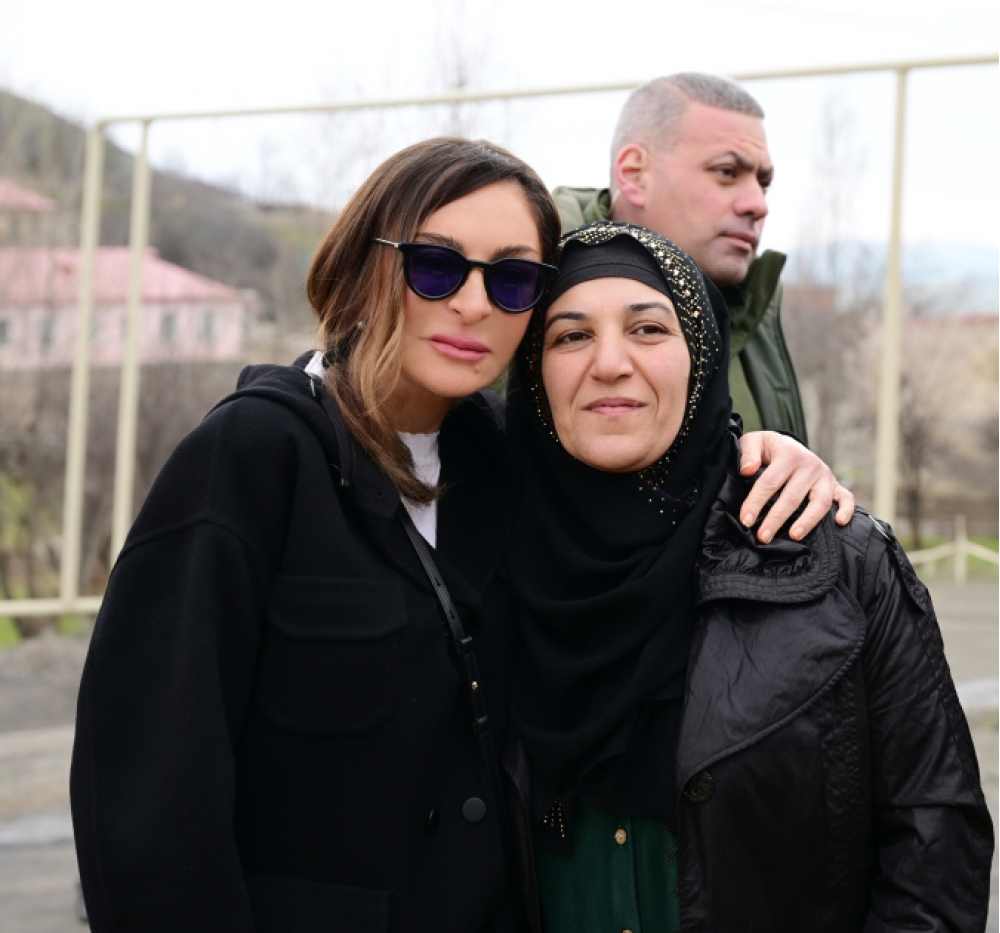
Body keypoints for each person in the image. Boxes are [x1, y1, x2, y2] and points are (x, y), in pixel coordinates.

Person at [70, 137, 849, 933]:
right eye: (436, 267)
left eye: (512, 280)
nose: (474, 305)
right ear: (363, 266)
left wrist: (763, 457)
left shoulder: (508, 462)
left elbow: (654, 484)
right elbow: (149, 800)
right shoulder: (253, 459)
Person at [504, 222, 993, 932]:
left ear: (702, 355)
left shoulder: (838, 557)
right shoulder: (474, 551)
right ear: (533, 371)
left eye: (648, 329)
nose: (609, 363)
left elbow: (934, 847)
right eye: (570, 336)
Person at [553, 73, 808, 442]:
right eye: (727, 172)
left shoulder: (754, 300)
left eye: (763, 183)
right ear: (634, 175)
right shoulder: (522, 291)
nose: (758, 204)